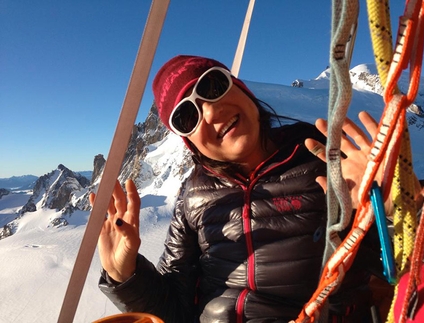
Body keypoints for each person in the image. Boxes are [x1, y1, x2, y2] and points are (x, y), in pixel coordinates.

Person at [91, 55, 400, 322]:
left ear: (242, 89)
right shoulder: (193, 194)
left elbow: (402, 268)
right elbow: (176, 310)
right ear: (189, 142)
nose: (210, 113)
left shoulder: (323, 156)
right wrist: (124, 274)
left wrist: (393, 198)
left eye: (212, 86)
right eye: (188, 117)